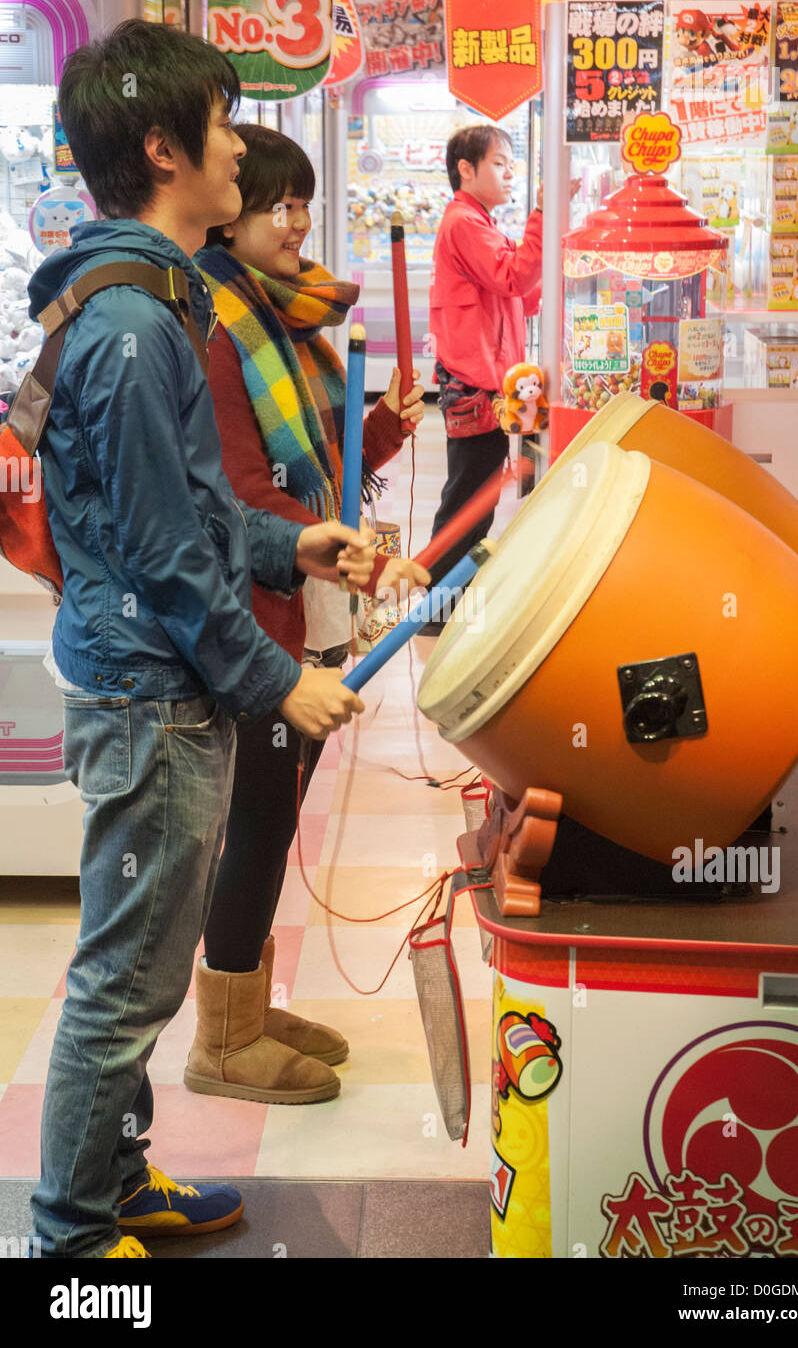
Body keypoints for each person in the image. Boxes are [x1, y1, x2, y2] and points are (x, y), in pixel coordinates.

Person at [28, 19, 372, 1260]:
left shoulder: (151, 303)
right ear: (167, 148)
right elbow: (167, 560)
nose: (240, 149)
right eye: (224, 127)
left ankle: (116, 1185)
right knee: (123, 981)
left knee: (143, 966)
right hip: (149, 698)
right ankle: (72, 1240)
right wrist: (283, 685)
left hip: (160, 689)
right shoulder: (134, 328)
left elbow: (192, 507)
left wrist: (294, 547)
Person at [188, 125, 430, 1104]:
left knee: (273, 817)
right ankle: (220, 1042)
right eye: (273, 204)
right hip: (253, 623)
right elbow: (246, 500)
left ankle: (241, 1000)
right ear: (224, 212)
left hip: (308, 609)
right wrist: (360, 555)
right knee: (252, 823)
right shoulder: (212, 329)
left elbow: (318, 473)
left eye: (302, 201)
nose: (295, 221)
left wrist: (379, 430)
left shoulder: (282, 319)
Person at [422, 124, 543, 633]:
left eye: (510, 162)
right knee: (471, 494)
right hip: (478, 385)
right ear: (465, 170)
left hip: (491, 381)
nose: (509, 171)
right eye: (499, 162)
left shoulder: (478, 221)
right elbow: (513, 277)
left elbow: (518, 291)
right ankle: (437, 606)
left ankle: (450, 598)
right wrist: (543, 216)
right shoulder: (466, 223)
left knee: (479, 490)